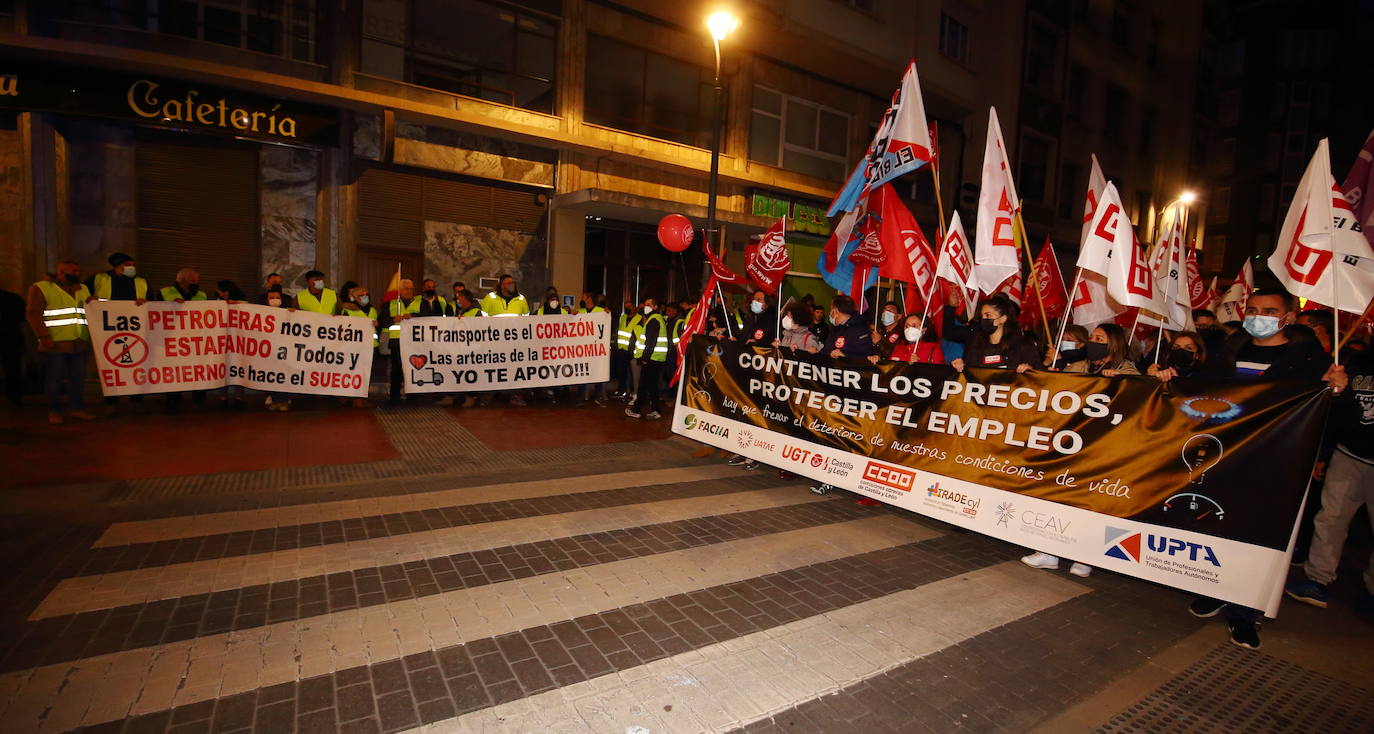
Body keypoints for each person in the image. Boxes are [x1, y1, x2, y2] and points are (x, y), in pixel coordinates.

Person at [1159, 288, 1344, 649]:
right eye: (1254, 309)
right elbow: (1200, 390)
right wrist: (1167, 378)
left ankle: (1244, 611)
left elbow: (1320, 408)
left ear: (1288, 316)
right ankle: (1213, 589)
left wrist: (1336, 390)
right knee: (1215, 524)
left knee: (1258, 535)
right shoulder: (1229, 351)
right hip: (1224, 457)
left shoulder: (1308, 358)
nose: (1260, 316)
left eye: (1270, 311)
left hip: (1275, 461)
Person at [1286, 347, 1374, 616]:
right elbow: (1336, 411)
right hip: (1349, 453)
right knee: (1331, 518)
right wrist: (1337, 391)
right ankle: (1317, 580)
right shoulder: (1359, 360)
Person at [26, 260, 95, 424]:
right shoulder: (42, 288)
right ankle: (54, 411)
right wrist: (43, 337)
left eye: (78, 271)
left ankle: (77, 409)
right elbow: (33, 314)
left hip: (79, 342)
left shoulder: (83, 288)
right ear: (61, 272)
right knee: (54, 378)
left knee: (77, 379)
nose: (77, 274)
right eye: (73, 271)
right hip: (55, 343)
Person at [88, 253, 148, 414]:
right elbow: (84, 295)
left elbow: (152, 302)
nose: (132, 267)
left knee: (137, 364)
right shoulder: (99, 279)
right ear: (118, 265)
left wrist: (145, 302)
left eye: (133, 264)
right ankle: (111, 401)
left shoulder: (140, 282)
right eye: (128, 263)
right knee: (110, 365)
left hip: (134, 329)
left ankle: (136, 400)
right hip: (106, 330)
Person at [948, 294, 1041, 373]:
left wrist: (1030, 372)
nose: (984, 319)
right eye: (982, 316)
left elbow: (1041, 377)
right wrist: (960, 366)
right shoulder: (975, 345)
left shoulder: (1023, 345)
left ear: (1003, 319)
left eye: (988, 315)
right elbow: (969, 375)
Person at [625, 297, 668, 420]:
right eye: (645, 304)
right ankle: (655, 410)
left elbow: (651, 342)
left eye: (649, 304)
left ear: (655, 307)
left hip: (652, 359)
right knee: (652, 386)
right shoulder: (657, 319)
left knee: (643, 385)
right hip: (657, 359)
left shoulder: (653, 320)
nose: (646, 306)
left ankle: (637, 410)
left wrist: (645, 358)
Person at [340, 285, 380, 408]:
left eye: (366, 294)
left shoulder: (373, 310)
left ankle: (363, 397)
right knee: (356, 373)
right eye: (361, 295)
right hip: (356, 348)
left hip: (372, 347)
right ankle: (355, 398)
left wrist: (377, 324)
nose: (365, 297)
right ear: (354, 298)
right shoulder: (347, 311)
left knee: (368, 374)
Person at [386, 279, 422, 404]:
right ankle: (394, 397)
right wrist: (393, 319)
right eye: (406, 289)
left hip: (415, 342)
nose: (409, 291)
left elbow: (428, 317)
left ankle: (413, 397)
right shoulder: (391, 303)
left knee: (413, 370)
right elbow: (382, 320)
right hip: (397, 342)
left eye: (411, 289)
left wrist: (412, 317)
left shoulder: (420, 303)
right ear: (400, 290)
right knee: (396, 370)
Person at [261, 287, 293, 412]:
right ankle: (273, 399)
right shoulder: (260, 313)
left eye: (277, 298)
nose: (274, 300)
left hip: (284, 351)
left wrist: (293, 314)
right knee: (270, 375)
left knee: (283, 374)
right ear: (266, 300)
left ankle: (284, 400)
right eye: (271, 298)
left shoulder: (288, 312)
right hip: (268, 351)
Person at [612, 299, 640, 400]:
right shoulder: (622, 317)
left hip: (633, 350)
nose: (627, 309)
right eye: (625, 307)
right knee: (622, 372)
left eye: (629, 307)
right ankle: (622, 391)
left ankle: (632, 392)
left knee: (633, 374)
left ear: (633, 307)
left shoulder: (639, 318)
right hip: (622, 350)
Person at [0, 286, 23, 407]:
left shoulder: (13, 298)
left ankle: (14, 396)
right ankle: (14, 396)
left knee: (12, 369)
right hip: (11, 337)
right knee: (12, 369)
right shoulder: (13, 298)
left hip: (10, 338)